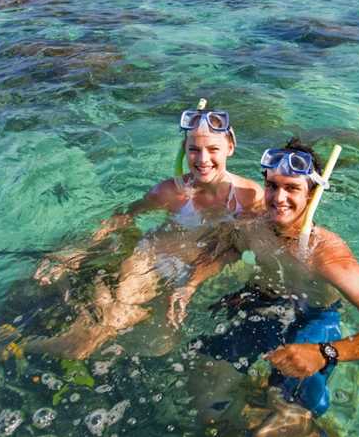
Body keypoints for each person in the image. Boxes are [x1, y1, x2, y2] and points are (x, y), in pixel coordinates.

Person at [185, 138, 359, 427]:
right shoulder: (252, 227)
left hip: (314, 317)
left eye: (292, 188)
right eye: (272, 186)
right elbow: (225, 247)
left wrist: (325, 353)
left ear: (313, 194)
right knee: (205, 394)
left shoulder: (327, 254)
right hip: (261, 302)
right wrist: (190, 285)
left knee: (287, 416)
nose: (278, 198)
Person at [28, 107, 264, 359]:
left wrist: (191, 283)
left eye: (213, 149)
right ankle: (10, 347)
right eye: (194, 149)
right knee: (93, 337)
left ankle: (30, 335)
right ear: (185, 149)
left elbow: (239, 247)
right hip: (149, 258)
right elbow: (122, 217)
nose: (202, 159)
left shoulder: (250, 197)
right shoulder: (170, 192)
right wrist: (73, 252)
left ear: (230, 147)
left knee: (156, 340)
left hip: (187, 271)